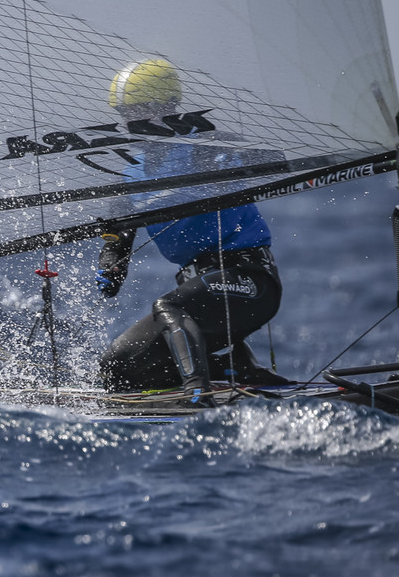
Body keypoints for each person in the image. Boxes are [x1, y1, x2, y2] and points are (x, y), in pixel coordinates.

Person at [93, 58, 288, 404]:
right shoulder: (131, 176)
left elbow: (272, 160)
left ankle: (197, 391)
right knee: (116, 369)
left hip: (249, 281)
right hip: (200, 292)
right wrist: (112, 263)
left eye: (142, 109)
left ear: (170, 107)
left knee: (169, 307)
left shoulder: (210, 146)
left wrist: (222, 161)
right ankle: (235, 371)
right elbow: (117, 235)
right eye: (126, 111)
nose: (131, 120)